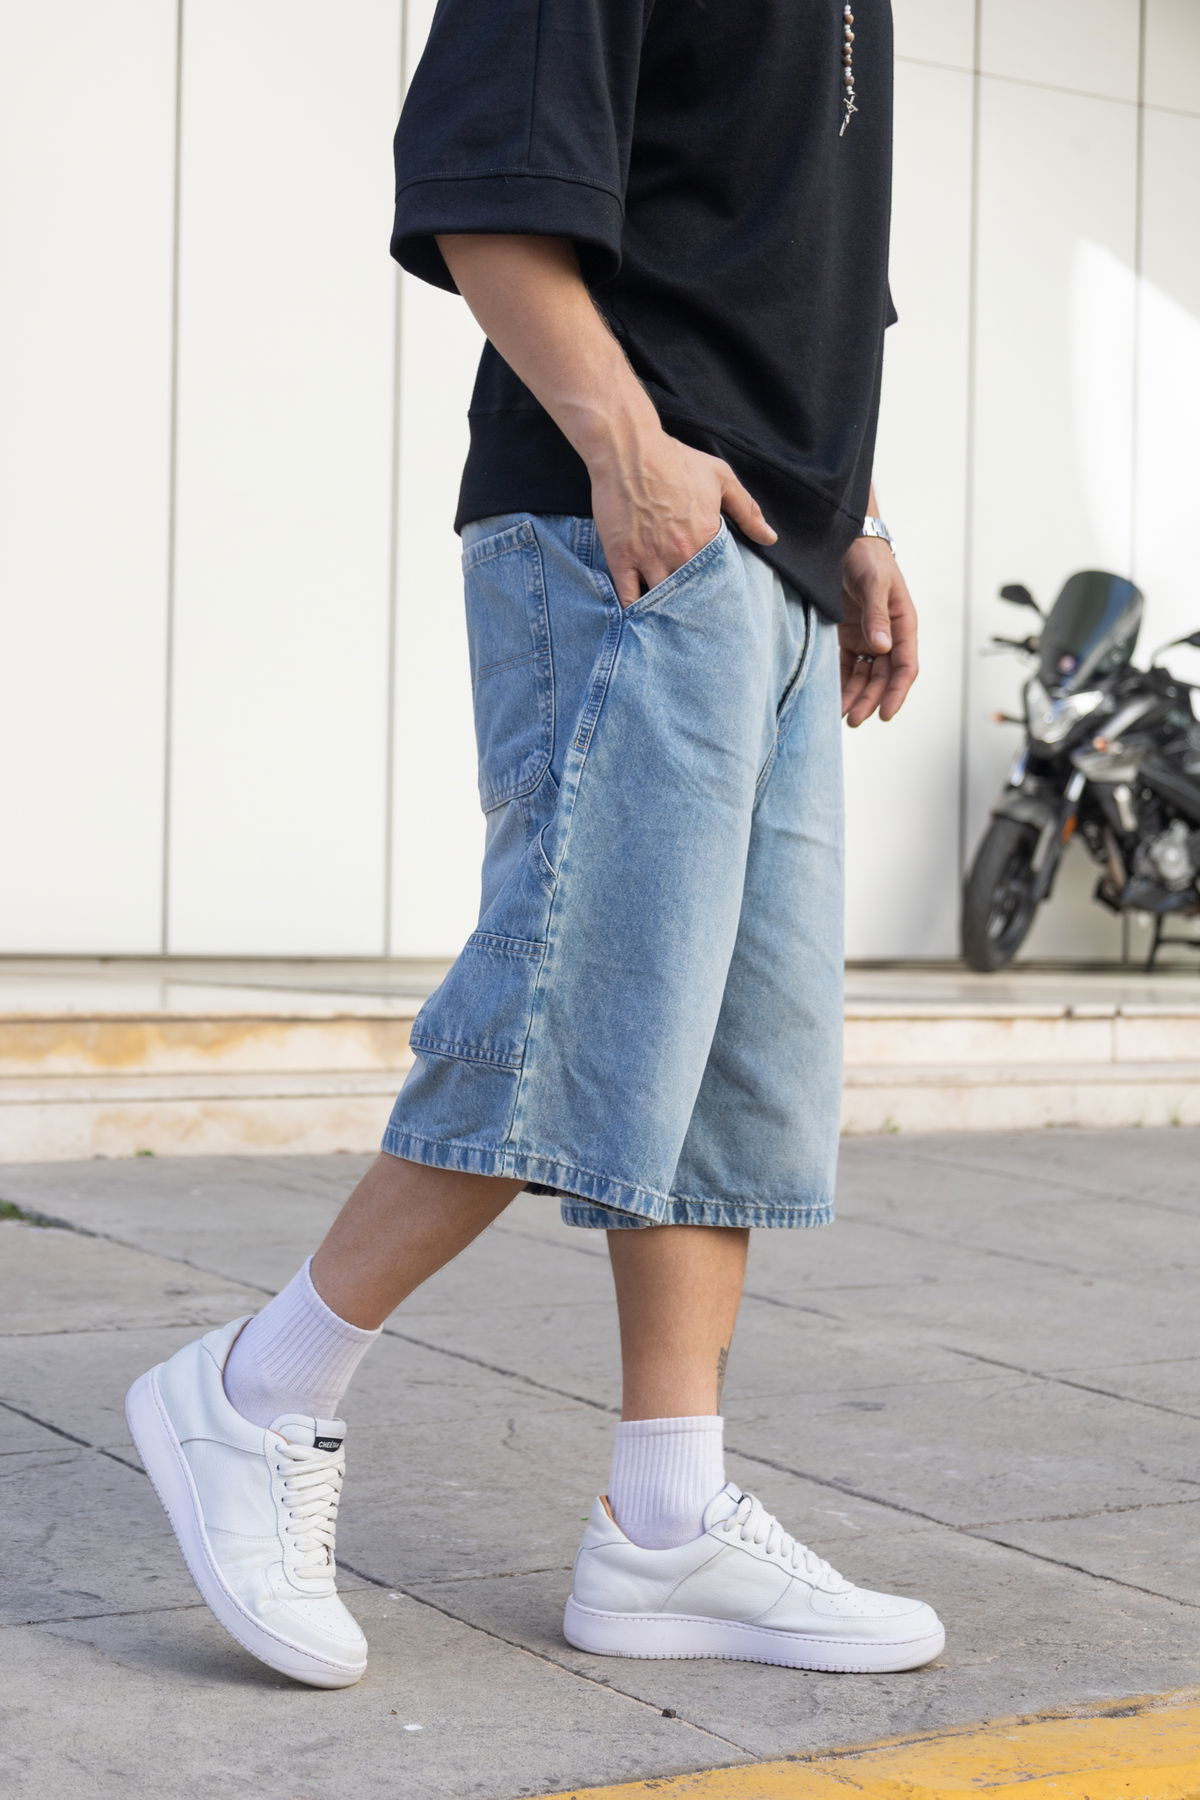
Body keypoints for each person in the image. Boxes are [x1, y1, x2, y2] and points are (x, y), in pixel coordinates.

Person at [126, 0, 940, 1690]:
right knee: (579, 1008)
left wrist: (855, 518)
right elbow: (485, 179)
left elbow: (793, 266)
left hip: (776, 556)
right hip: (629, 531)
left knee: (723, 1075)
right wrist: (626, 448)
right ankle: (256, 1391)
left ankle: (665, 1525)